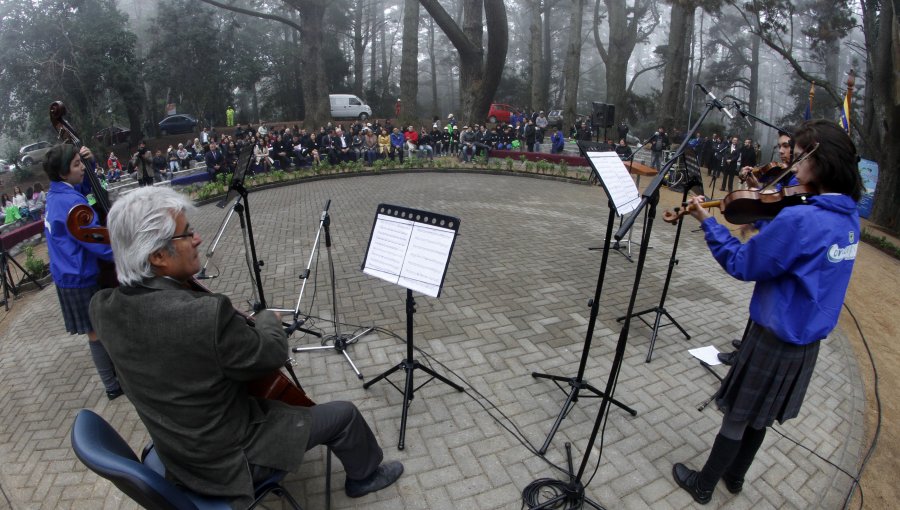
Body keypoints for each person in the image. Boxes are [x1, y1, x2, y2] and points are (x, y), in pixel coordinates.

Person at [89, 187, 403, 507]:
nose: (197, 239)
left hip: (177, 451)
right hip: (228, 461)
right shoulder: (206, 316)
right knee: (345, 416)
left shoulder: (101, 307)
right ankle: (364, 477)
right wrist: (266, 319)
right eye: (188, 234)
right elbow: (271, 354)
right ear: (157, 257)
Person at [672, 120, 863, 504]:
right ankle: (736, 477)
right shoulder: (847, 217)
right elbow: (793, 248)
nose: (793, 162)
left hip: (772, 337)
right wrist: (760, 214)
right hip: (805, 344)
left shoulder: (802, 218)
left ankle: (704, 484)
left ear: (818, 161)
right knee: (761, 416)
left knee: (738, 416)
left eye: (801, 153)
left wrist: (709, 223)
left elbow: (743, 263)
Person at [42, 144, 122, 400]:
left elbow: (85, 190)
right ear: (63, 173)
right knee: (95, 332)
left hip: (67, 274)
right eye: (77, 164)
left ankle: (113, 379)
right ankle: (112, 386)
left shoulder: (57, 194)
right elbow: (96, 241)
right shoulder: (70, 203)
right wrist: (124, 254)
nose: (81, 168)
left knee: (96, 329)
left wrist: (90, 164)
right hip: (79, 276)